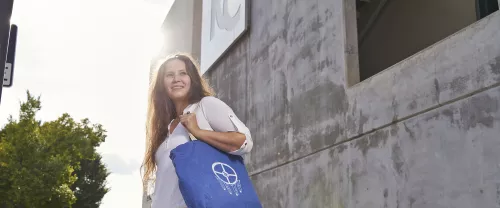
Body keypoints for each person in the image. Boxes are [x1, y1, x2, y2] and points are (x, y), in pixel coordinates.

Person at [142, 53, 254, 208]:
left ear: (192, 79)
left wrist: (198, 132)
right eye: (169, 75)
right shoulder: (164, 129)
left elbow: (244, 141)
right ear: (162, 84)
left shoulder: (205, 106)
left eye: (183, 73)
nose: (176, 79)